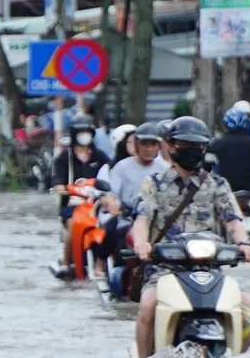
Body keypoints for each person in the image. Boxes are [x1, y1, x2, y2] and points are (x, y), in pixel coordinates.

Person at [130, 116, 250, 358]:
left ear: (205, 148)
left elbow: (234, 221)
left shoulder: (217, 184)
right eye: (184, 144)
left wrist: (245, 244)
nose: (191, 150)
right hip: (165, 269)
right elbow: (142, 219)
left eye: (198, 146)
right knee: (147, 306)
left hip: (209, 269)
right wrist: (142, 243)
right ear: (169, 145)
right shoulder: (154, 184)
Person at [94, 123, 171, 275]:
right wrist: (111, 202)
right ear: (136, 145)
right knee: (110, 228)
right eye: (144, 144)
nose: (149, 149)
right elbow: (112, 192)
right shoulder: (121, 167)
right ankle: (100, 264)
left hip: (158, 218)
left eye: (152, 144)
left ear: (158, 146)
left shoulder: (166, 168)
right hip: (128, 217)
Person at [50, 114, 112, 278]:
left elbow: (109, 174)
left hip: (95, 205)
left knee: (110, 228)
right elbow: (57, 177)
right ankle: (65, 262)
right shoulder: (64, 158)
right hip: (71, 207)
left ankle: (106, 263)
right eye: (80, 131)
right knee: (72, 225)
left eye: (87, 131)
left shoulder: (100, 157)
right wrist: (60, 187)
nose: (84, 134)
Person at [207, 108, 250, 193]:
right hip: (248, 190)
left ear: (225, 124)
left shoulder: (216, 143)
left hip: (224, 190)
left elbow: (207, 166)